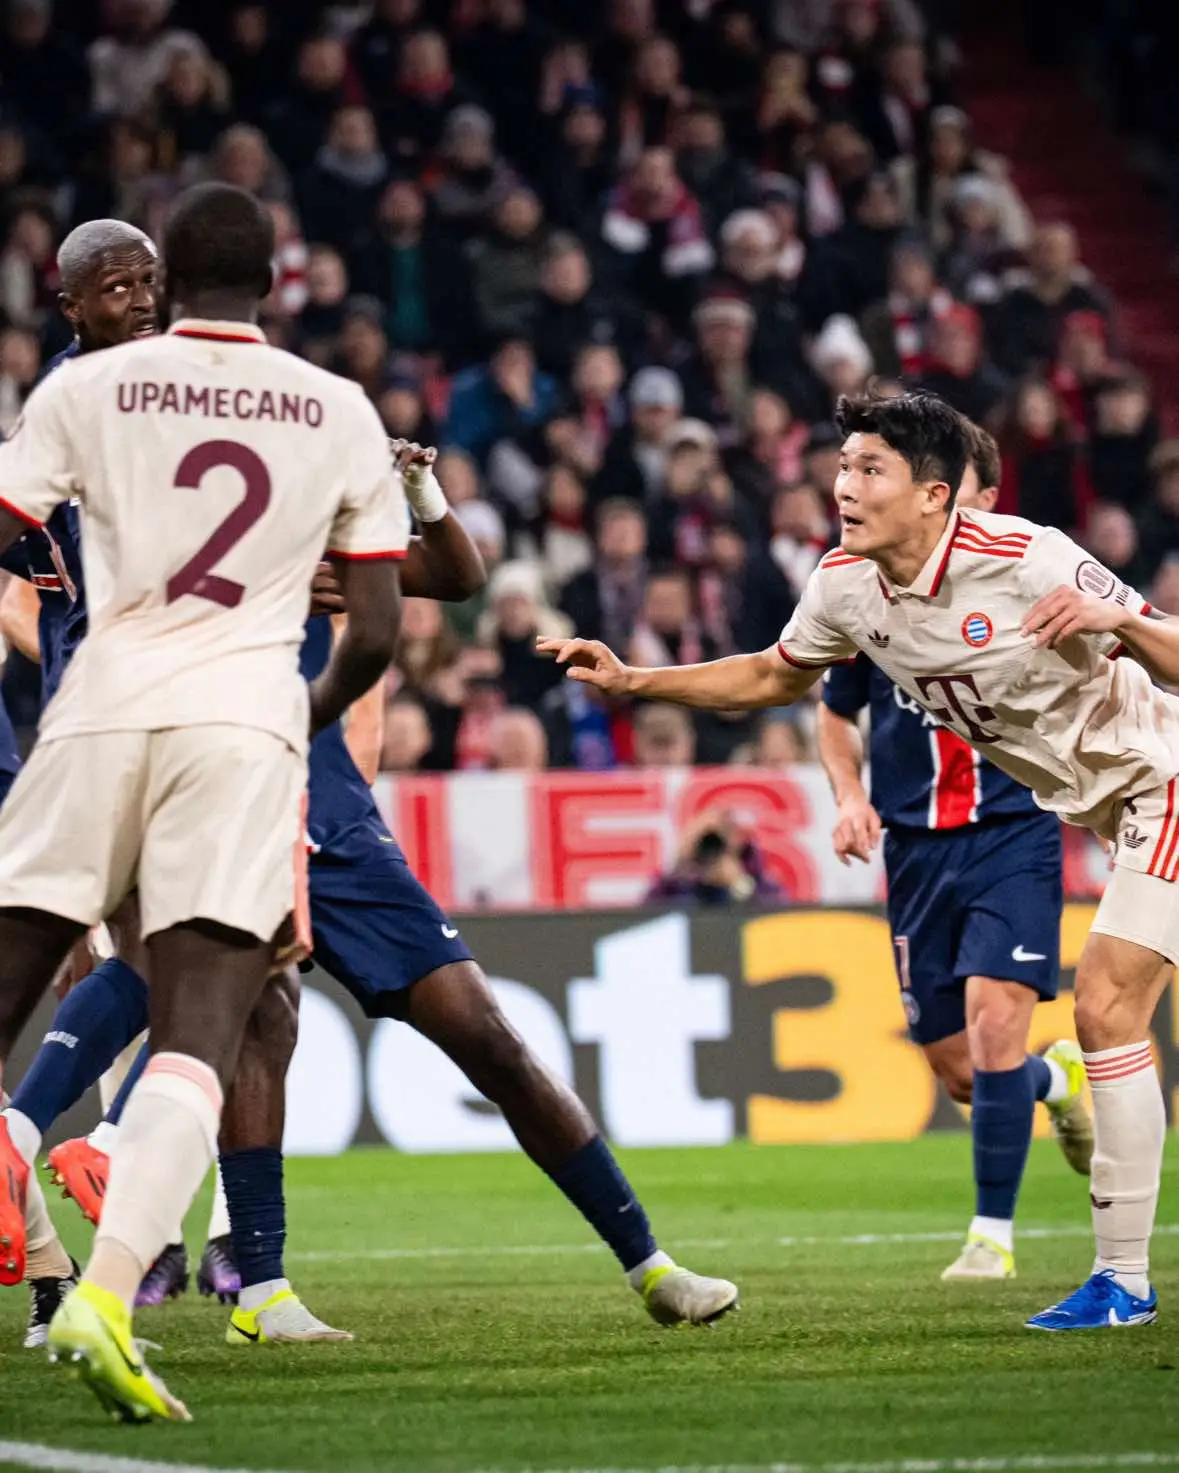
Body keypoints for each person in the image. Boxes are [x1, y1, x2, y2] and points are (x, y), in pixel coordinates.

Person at [25, 443, 739, 1353]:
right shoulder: (162, 543)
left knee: (487, 1037)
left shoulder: (301, 536)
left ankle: (651, 1265)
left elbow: (452, 570)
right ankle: (260, 1286)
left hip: (340, 828)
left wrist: (416, 488)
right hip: (226, 805)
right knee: (253, 1023)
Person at [540, 388, 1179, 1333]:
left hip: (1163, 775)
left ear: (934, 495)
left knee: (1103, 1003)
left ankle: (1121, 1280)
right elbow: (771, 674)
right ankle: (1119, 1276)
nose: (843, 484)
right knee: (1063, 1024)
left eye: (869, 468)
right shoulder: (843, 584)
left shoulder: (1026, 554)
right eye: (842, 466)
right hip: (1096, 806)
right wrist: (635, 680)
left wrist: (1117, 621)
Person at [0, 181, 408, 1421]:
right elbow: (380, 621)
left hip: (113, 723)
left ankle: (80, 1216)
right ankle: (98, 1243)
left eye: (142, 278)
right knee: (209, 1004)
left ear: (170, 280)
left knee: (207, 1002)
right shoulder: (312, 407)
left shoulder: (98, 399)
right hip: (189, 728)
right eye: (108, 284)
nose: (130, 296)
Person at [817, 423, 1092, 1281]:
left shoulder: (1019, 576)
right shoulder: (865, 592)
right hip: (914, 848)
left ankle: (989, 1238)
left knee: (993, 1023)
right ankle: (1059, 1086)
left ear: (969, 497)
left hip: (1012, 830)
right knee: (964, 1071)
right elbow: (833, 707)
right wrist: (849, 796)